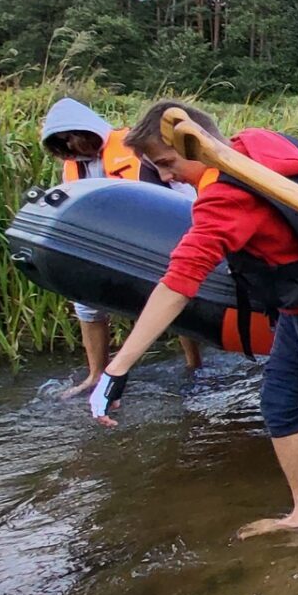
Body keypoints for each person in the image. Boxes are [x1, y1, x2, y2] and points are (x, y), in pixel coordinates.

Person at [87, 100, 298, 538]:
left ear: (194, 142)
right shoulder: (265, 140)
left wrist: (117, 368)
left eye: (165, 162)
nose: (165, 177)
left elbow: (180, 283)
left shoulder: (224, 196)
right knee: (277, 401)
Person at [40, 97, 202, 396]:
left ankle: (194, 364)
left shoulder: (136, 147)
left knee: (172, 295)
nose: (73, 145)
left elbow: (182, 192)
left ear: (88, 128)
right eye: (64, 142)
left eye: (75, 136)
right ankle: (95, 375)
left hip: (157, 239)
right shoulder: (72, 169)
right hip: (106, 245)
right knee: (84, 302)